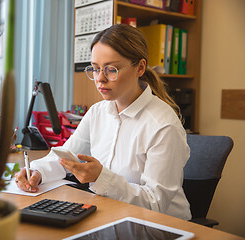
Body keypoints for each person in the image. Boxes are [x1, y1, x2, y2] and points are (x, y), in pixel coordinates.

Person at [15, 24, 191, 220]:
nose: (100, 79)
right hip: (112, 214)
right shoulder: (98, 112)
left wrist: (100, 177)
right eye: (96, 69)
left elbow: (155, 203)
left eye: (111, 69)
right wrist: (37, 171)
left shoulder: (163, 125)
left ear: (140, 68)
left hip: (161, 226)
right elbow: (67, 157)